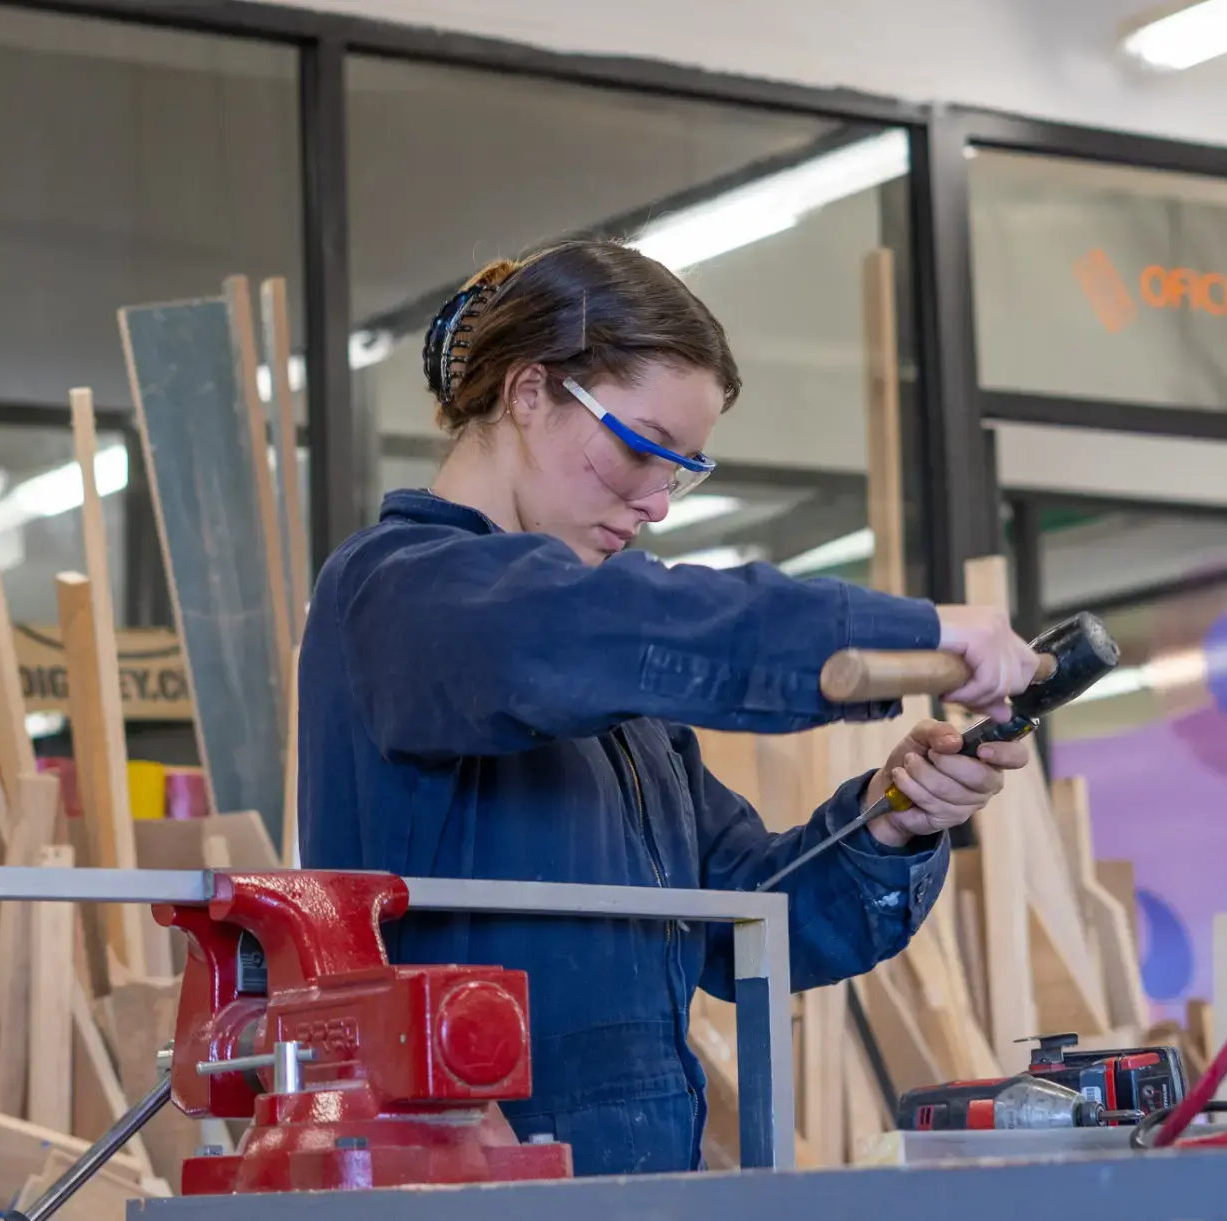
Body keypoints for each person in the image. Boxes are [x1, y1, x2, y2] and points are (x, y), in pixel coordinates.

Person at [296, 238, 1036, 1178]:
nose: (657, 501)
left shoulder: (616, 708)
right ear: (529, 392)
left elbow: (747, 921)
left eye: (682, 469)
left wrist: (890, 823)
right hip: (463, 1179)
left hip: (629, 1177)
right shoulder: (402, 594)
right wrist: (911, 627)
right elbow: (582, 629)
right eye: (640, 448)